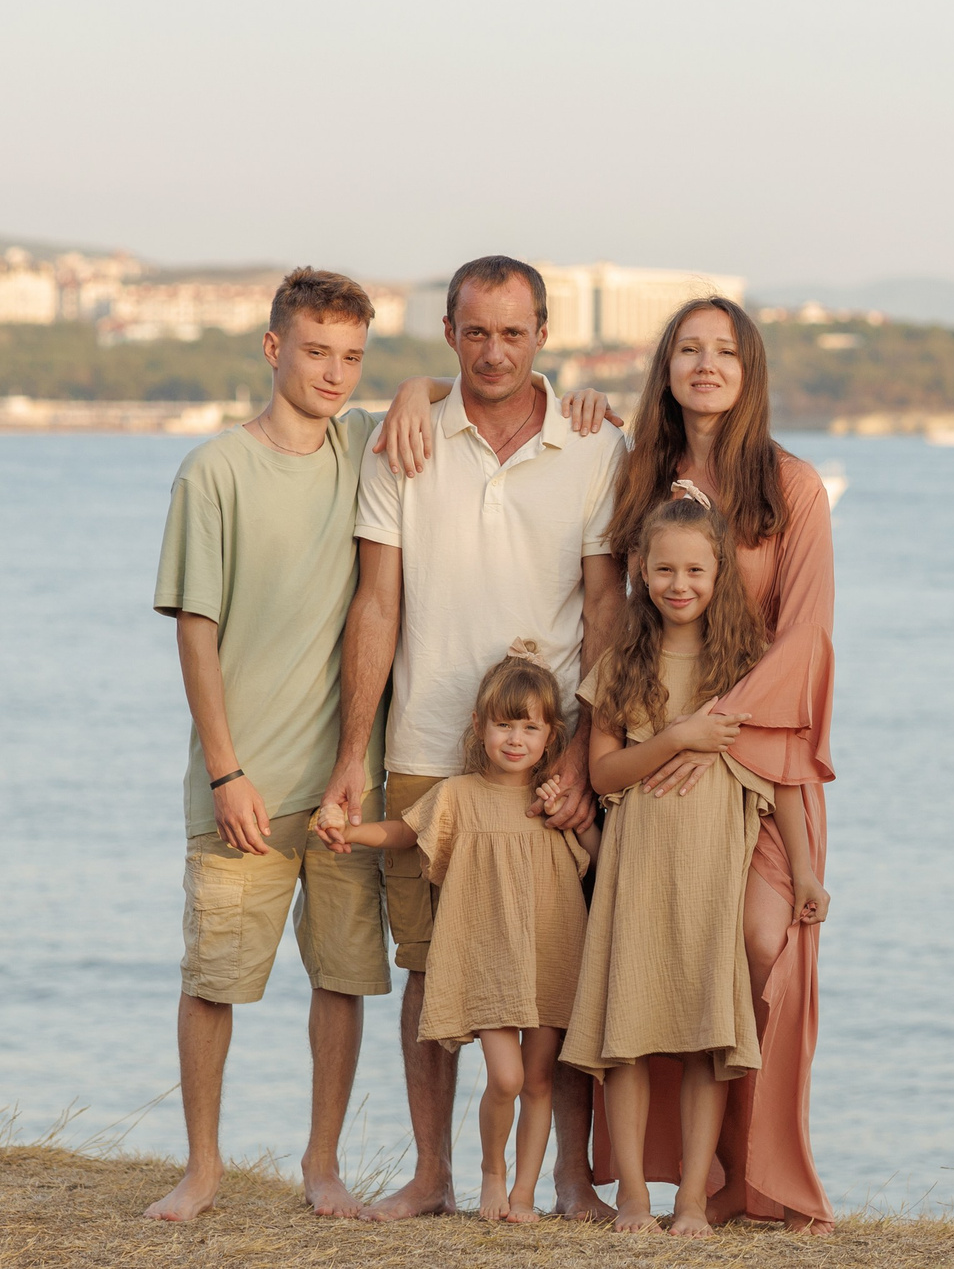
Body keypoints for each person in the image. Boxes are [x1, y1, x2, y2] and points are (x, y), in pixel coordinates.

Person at [324, 254, 627, 1222]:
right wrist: (352, 756)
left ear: (543, 335)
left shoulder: (594, 445)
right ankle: (433, 1173)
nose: (494, 352)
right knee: (429, 970)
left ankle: (569, 1177)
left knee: (558, 974)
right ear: (449, 333)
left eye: (513, 332)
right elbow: (376, 605)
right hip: (425, 747)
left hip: (551, 755)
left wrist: (582, 750)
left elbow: (607, 610)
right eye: (477, 332)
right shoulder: (402, 441)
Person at [143, 268, 390, 1224]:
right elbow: (194, 631)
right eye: (317, 351)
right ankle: (202, 1168)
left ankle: (322, 1165)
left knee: (342, 978)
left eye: (353, 358)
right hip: (243, 785)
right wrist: (226, 769)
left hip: (343, 791)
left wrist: (416, 390)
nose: (334, 373)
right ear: (273, 347)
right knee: (214, 980)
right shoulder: (214, 471)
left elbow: (452, 394)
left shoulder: (362, 445)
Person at [599, 296, 838, 1232]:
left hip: (759, 749)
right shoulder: (637, 472)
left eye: (725, 351)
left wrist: (714, 726)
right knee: (653, 957)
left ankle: (749, 1174)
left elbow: (806, 635)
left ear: (750, 370)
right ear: (665, 366)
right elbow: (610, 608)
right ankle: (671, 1180)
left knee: (759, 941)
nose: (706, 364)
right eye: (688, 349)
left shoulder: (793, 486)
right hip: (659, 754)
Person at [560, 493, 821, 1237]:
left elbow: (783, 777)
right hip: (637, 873)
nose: (680, 584)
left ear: (719, 573)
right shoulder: (623, 663)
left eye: (696, 570)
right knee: (628, 1035)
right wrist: (679, 736)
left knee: (710, 1039)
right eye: (665, 569)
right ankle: (635, 1198)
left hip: (713, 877)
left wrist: (805, 872)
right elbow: (603, 773)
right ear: (641, 571)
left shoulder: (745, 667)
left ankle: (694, 1202)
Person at [315, 644, 598, 1223]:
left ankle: (524, 1195)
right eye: (504, 725)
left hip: (551, 954)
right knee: (507, 1077)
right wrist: (354, 832)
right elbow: (404, 832)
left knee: (539, 1080)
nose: (515, 739)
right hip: (489, 960)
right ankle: (491, 1173)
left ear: (552, 736)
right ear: (478, 726)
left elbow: (595, 857)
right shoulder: (458, 795)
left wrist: (572, 813)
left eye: (530, 728)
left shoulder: (550, 803)